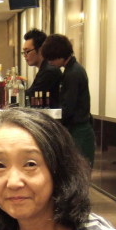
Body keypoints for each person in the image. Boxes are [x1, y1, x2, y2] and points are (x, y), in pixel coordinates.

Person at [40, 34, 95, 167]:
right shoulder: (73, 69)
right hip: (79, 129)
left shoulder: (73, 73)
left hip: (79, 131)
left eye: (51, 59)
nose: (50, 63)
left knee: (79, 170)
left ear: (59, 55)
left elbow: (68, 108)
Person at [22, 29, 62, 108]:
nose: (25, 55)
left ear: (40, 50)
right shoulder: (45, 68)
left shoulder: (49, 71)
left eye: (27, 51)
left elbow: (32, 94)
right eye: (23, 52)